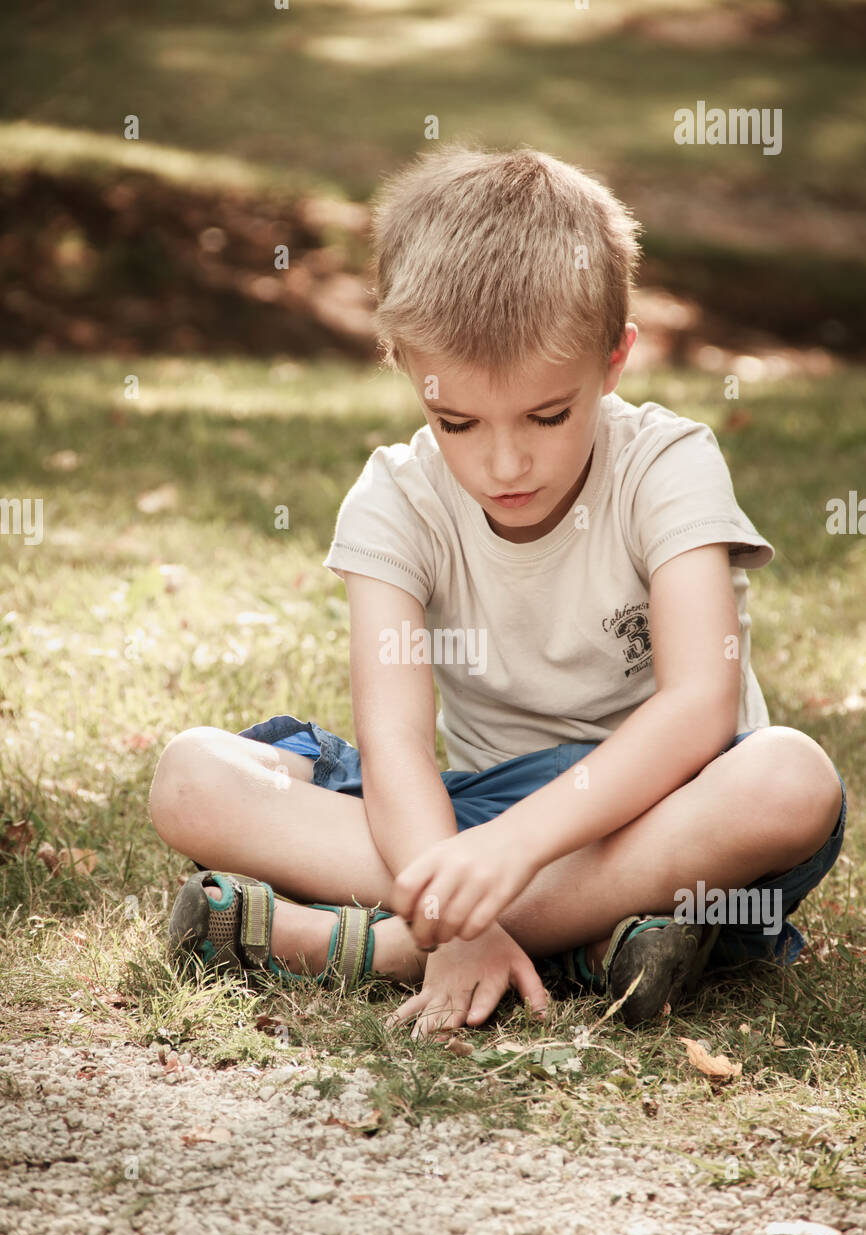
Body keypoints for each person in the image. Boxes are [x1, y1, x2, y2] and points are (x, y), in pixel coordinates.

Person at [148, 144, 845, 1041]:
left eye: (548, 416)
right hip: (465, 818)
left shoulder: (668, 465)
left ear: (614, 359)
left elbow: (702, 706)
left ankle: (381, 943)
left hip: (663, 809)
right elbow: (394, 743)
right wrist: (463, 868)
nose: (505, 463)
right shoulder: (397, 498)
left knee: (789, 778)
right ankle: (595, 941)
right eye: (458, 421)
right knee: (193, 778)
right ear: (405, 367)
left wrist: (499, 864)